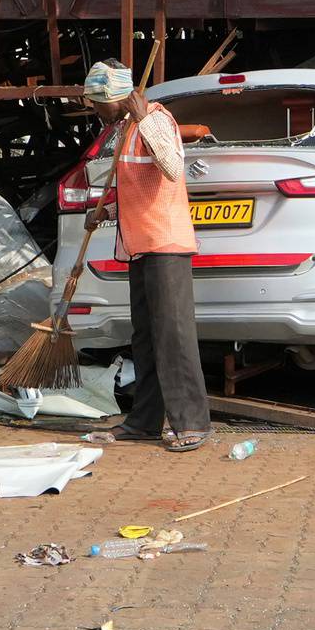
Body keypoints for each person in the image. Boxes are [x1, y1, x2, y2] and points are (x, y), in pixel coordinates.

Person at [83, 59, 212, 452]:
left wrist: (146, 122)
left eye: (95, 102)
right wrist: (106, 212)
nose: (93, 110)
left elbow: (173, 167)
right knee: (147, 337)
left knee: (173, 336)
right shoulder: (124, 129)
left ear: (114, 98)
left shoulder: (157, 120)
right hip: (139, 246)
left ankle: (192, 423)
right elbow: (141, 184)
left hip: (165, 243)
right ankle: (143, 422)